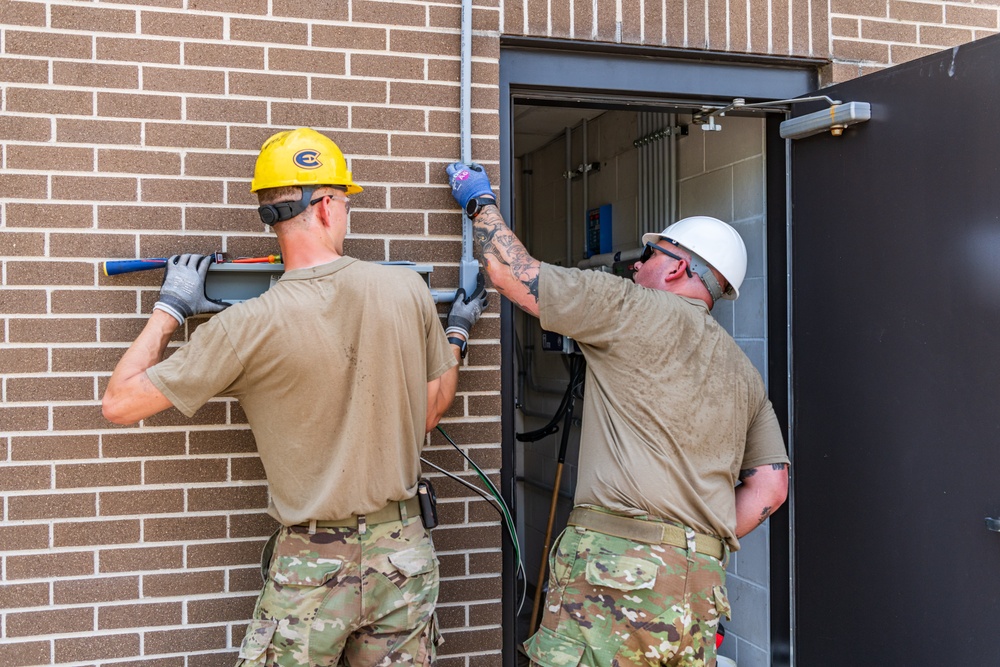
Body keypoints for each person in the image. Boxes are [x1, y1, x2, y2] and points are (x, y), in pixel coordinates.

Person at [102, 127, 488, 667]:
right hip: (403, 554)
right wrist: (458, 332)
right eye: (346, 204)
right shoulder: (407, 292)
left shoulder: (247, 326)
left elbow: (120, 402)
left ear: (270, 214)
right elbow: (430, 409)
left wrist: (169, 310)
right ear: (327, 206)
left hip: (312, 564)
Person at [446, 162, 789, 667]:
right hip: (696, 587)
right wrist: (687, 542)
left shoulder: (632, 308)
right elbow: (771, 488)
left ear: (676, 268)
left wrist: (478, 199)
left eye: (649, 254)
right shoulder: (744, 372)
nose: (635, 265)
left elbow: (510, 271)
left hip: (614, 579)